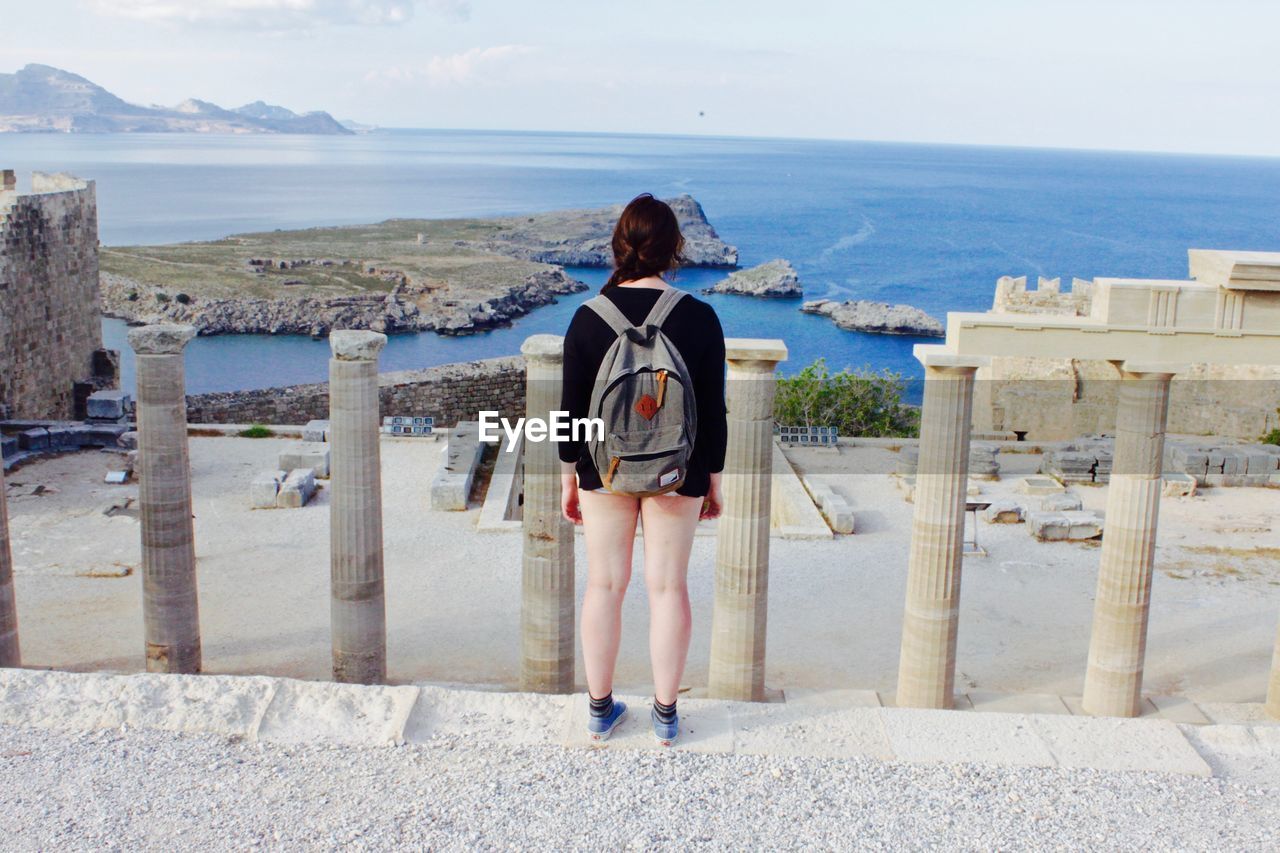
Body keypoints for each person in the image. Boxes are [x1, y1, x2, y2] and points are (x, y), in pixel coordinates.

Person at [559, 193, 728, 746]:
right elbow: (712, 409)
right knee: (667, 587)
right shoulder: (701, 317)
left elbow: (570, 412)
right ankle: (664, 716)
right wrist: (713, 480)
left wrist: (570, 476)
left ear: (618, 247)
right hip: (678, 471)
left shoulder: (588, 319)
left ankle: (601, 711)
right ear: (674, 249)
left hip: (601, 467)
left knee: (605, 585)